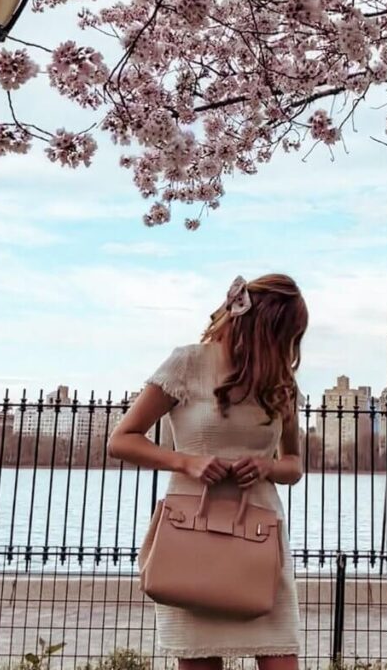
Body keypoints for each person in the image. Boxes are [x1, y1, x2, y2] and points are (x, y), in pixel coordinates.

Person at [108, 273, 308, 670]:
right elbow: (122, 439)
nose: (285, 344)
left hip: (259, 535)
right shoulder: (187, 362)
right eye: (281, 332)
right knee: (199, 660)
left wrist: (268, 466)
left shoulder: (281, 382)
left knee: (281, 657)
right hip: (190, 532)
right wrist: (187, 461)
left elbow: (293, 466)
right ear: (255, 323)